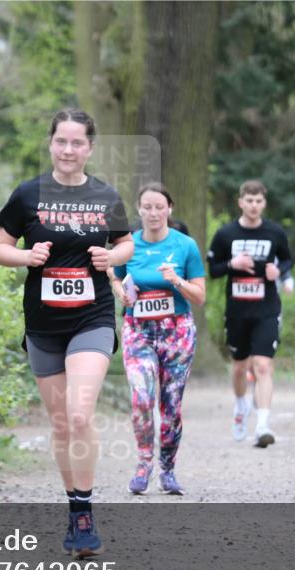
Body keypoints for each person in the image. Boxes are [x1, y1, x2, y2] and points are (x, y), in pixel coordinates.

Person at [0, 108, 134, 557]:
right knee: (59, 423)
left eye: (77, 143)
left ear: (90, 148)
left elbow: (125, 242)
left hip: (91, 316)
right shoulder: (28, 194)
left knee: (78, 414)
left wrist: (112, 258)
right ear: (50, 144)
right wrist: (27, 257)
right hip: (43, 324)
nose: (69, 150)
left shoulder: (105, 195)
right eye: (61, 141)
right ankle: (74, 506)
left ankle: (85, 511)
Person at [109, 183, 206, 495]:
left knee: (171, 407)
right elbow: (113, 275)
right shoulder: (129, 245)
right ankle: (143, 462)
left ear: (169, 209)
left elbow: (200, 296)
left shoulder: (185, 246)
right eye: (147, 207)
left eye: (159, 207)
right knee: (140, 399)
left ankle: (168, 469)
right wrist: (121, 292)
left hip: (177, 333)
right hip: (139, 331)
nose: (153, 213)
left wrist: (176, 281)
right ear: (139, 210)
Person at [207, 180, 292, 448]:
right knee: (240, 366)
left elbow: (287, 260)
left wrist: (278, 273)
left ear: (264, 203)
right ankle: (241, 405)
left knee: (263, 365)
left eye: (258, 201)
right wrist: (232, 264)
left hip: (267, 309)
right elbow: (213, 269)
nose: (254, 205)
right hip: (237, 310)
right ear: (240, 202)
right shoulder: (225, 234)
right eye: (249, 200)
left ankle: (263, 424)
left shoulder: (275, 233)